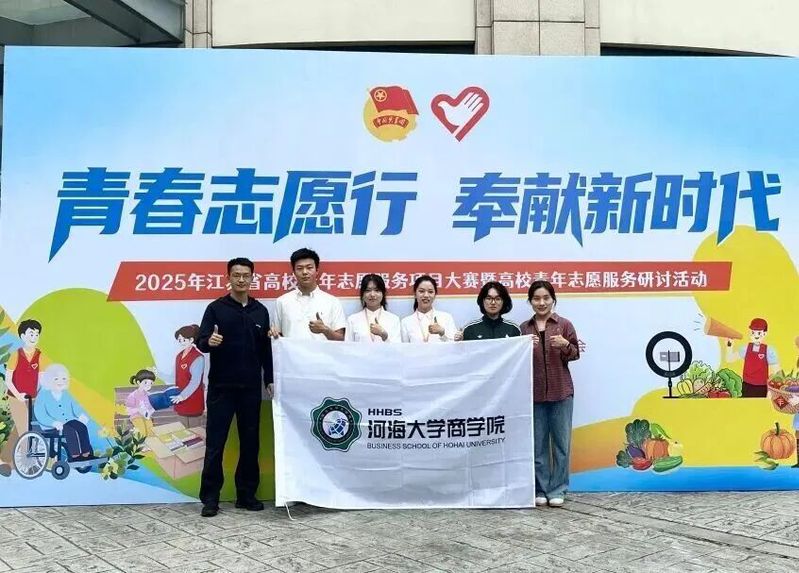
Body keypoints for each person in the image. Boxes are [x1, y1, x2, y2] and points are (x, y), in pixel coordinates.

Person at [196, 257, 273, 518]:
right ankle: (210, 498)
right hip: (221, 387)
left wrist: (269, 378)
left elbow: (266, 350)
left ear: (252, 278)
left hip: (250, 388)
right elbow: (201, 341)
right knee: (215, 444)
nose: (241, 279)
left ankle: (246, 495)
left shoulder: (260, 311)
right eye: (236, 275)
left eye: (246, 275)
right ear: (228, 278)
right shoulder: (215, 309)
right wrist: (209, 341)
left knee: (250, 443)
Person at [520, 280, 580, 508]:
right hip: (534, 394)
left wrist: (565, 345)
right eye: (536, 298)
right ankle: (540, 488)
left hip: (561, 392)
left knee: (561, 445)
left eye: (546, 298)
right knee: (538, 445)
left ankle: (558, 489)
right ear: (530, 301)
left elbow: (575, 354)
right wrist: (525, 348)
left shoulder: (564, 324)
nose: (541, 302)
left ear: (553, 300)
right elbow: (516, 362)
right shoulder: (524, 328)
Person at [271, 248, 346, 341]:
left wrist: (325, 330)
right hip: (291, 351)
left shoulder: (332, 301)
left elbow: (341, 339)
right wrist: (273, 335)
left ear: (317, 270)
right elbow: (277, 336)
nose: (305, 272)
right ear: (294, 272)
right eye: (299, 268)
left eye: (309, 268)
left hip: (323, 351)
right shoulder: (282, 301)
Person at [33, 364, 95, 461]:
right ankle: (75, 456)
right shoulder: (43, 395)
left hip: (68, 421)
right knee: (70, 431)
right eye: (56, 379)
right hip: (51, 425)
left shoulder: (66, 393)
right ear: (49, 380)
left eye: (63, 379)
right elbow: (40, 414)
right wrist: (53, 422)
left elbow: (75, 406)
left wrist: (81, 415)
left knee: (82, 427)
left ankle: (86, 454)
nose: (60, 382)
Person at [5, 319, 49, 445]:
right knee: (23, 428)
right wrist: (18, 395)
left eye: (37, 334)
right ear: (22, 336)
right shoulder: (16, 355)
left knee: (27, 428)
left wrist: (38, 394)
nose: (34, 337)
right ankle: (25, 455)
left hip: (32, 397)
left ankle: (8, 456)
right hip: (16, 396)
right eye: (31, 334)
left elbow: (41, 378)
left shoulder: (40, 355)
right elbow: (8, 380)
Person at [725, 318, 779, 398]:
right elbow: (729, 359)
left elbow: (776, 371)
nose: (756, 336)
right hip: (747, 385)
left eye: (759, 333)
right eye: (753, 332)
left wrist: (771, 390)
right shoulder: (745, 349)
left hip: (762, 387)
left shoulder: (769, 350)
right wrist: (729, 346)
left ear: (764, 334)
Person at [345, 274, 401, 343]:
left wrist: (384, 336)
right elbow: (348, 347)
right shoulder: (352, 320)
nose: (372, 294)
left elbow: (398, 348)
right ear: (362, 294)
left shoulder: (394, 319)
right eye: (368, 290)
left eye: (377, 290)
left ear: (383, 293)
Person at [400, 275, 457, 343]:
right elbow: (404, 348)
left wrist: (442, 334)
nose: (426, 295)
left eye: (430, 292)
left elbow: (454, 346)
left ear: (435, 295)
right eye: (421, 291)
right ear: (415, 294)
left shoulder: (446, 318)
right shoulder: (406, 322)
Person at [168, 324, 206, 418]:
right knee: (181, 426)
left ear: (191, 340)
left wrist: (182, 396)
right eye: (179, 340)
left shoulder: (198, 358)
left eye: (184, 340)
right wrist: (157, 373)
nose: (181, 343)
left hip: (193, 400)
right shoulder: (179, 356)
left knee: (195, 426)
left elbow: (195, 381)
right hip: (179, 401)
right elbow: (175, 376)